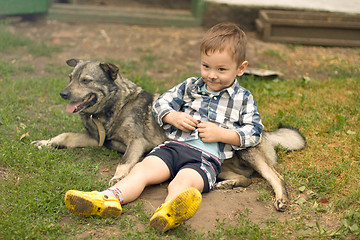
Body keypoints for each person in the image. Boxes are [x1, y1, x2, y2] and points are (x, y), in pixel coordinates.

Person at [64, 22, 263, 232]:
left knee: (182, 183)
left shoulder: (244, 99)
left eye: (221, 69)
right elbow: (160, 103)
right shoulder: (191, 85)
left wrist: (223, 134)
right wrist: (172, 116)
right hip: (172, 147)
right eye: (206, 66)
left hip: (206, 158)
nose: (211, 75)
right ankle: (107, 198)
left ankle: (169, 212)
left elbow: (254, 132)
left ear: (241, 68)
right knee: (141, 170)